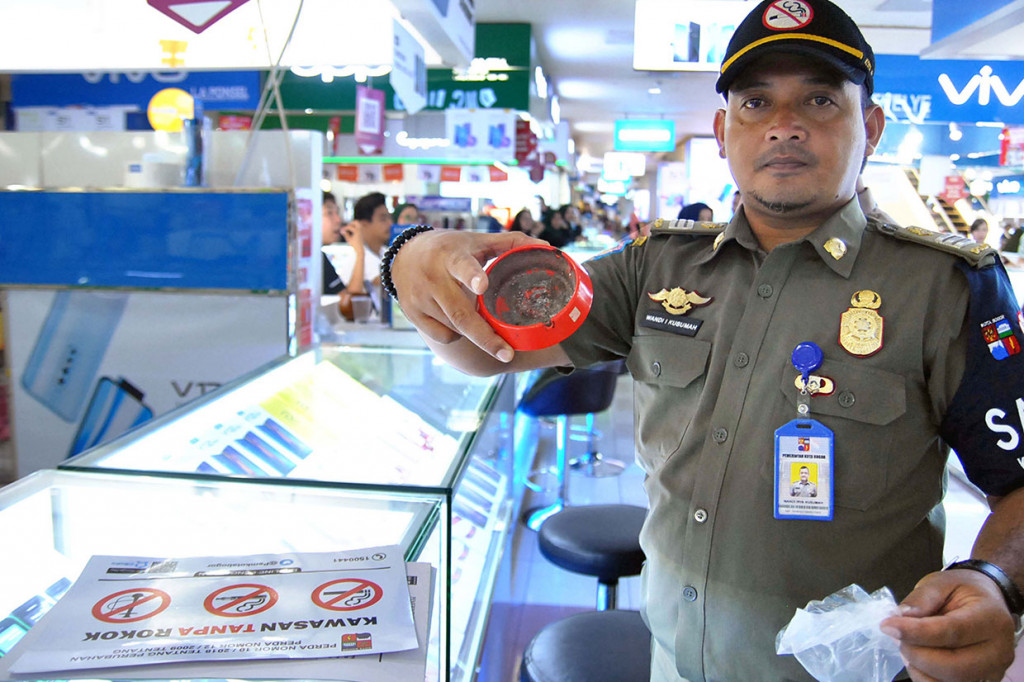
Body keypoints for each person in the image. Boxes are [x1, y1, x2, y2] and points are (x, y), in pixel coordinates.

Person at [382, 1, 1024, 680]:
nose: (784, 125)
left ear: (870, 127)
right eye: (755, 102)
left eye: (818, 99)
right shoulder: (657, 268)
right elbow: (484, 352)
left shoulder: (947, 287)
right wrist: (412, 260)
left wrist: (994, 580)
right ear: (723, 130)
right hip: (673, 660)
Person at [330, 192, 393, 315]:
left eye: (390, 218)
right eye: (383, 219)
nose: (390, 224)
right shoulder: (357, 257)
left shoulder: (385, 252)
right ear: (363, 225)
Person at [321, 192, 368, 321]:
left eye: (337, 212)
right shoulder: (311, 259)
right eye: (329, 213)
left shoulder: (320, 258)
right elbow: (349, 305)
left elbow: (347, 301)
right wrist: (360, 252)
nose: (338, 220)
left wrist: (360, 252)